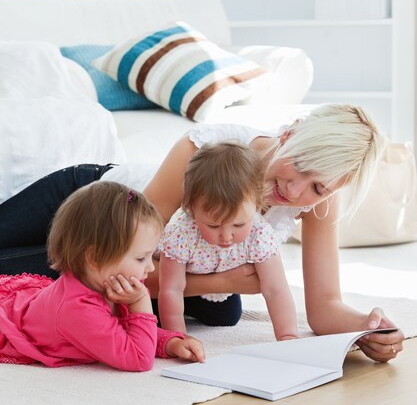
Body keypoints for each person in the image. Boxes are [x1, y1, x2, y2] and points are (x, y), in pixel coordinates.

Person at [0, 104, 404, 362]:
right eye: (299, 165)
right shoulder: (209, 148)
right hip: (92, 204)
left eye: (319, 186)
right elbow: (123, 272)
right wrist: (225, 281)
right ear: (289, 133)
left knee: (219, 311)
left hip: (134, 268)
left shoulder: (317, 201)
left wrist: (367, 328)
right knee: (63, 285)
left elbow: (324, 306)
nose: (296, 191)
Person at [0, 181, 204, 369]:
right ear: (95, 258)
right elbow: (139, 358)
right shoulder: (78, 311)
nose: (151, 267)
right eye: (141, 258)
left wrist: (171, 343)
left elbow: (122, 329)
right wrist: (140, 302)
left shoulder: (106, 282)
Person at [158, 141, 298, 341]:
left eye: (239, 225)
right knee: (149, 307)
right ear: (191, 209)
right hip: (161, 276)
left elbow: (276, 289)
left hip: (212, 276)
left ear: (258, 205)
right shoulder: (181, 231)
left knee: (227, 315)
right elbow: (171, 288)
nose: (226, 236)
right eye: (213, 226)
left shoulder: (259, 233)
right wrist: (177, 337)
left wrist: (288, 334)